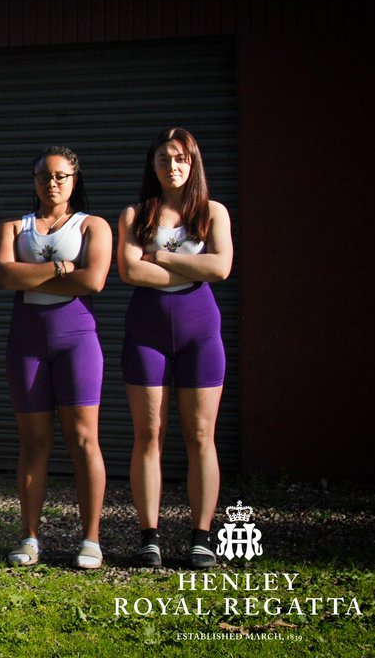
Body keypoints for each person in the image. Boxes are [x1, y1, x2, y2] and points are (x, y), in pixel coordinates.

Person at [0, 147, 111, 569]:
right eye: (44, 176)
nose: (52, 183)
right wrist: (61, 269)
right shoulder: (13, 226)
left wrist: (35, 274)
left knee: (83, 440)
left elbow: (93, 279)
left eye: (61, 176)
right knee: (34, 442)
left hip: (77, 340)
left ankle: (91, 540)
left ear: (75, 180)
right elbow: (3, 275)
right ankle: (29, 538)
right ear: (34, 180)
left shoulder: (93, 225)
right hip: (27, 343)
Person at [118, 127, 232, 569]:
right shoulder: (135, 214)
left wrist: (162, 258)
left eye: (181, 158)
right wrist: (192, 268)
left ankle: (201, 536)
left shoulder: (212, 212)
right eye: (164, 159)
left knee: (201, 435)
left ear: (193, 163)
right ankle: (150, 536)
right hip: (147, 333)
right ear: (153, 164)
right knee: (149, 435)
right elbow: (129, 271)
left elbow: (220, 267)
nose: (173, 166)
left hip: (200, 332)